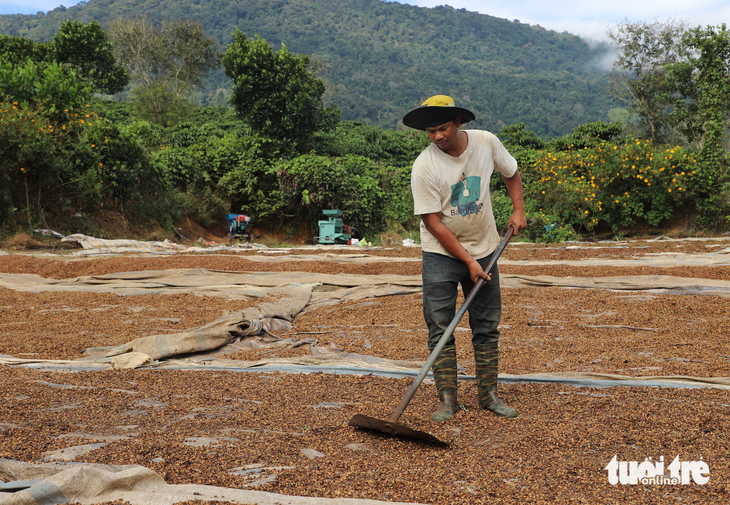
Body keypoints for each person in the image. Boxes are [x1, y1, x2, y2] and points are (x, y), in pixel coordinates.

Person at [403, 95, 527, 421]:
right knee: (440, 326)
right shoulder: (425, 166)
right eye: (430, 132)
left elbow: (511, 172)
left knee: (486, 326)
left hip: (485, 247)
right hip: (440, 253)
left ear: (458, 123)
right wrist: (468, 262)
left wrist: (518, 209)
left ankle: (488, 395)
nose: (437, 136)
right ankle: (447, 400)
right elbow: (433, 222)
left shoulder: (486, 143)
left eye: (442, 128)